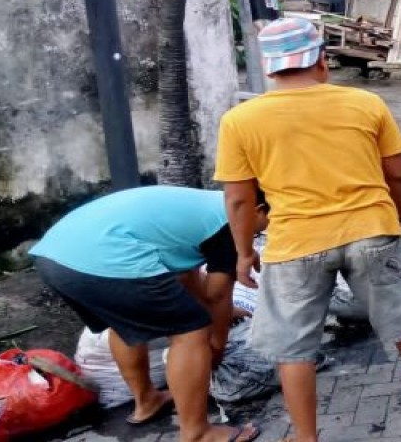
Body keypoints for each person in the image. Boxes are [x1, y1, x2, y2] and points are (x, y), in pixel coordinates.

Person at [215, 17, 401, 442]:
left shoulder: (240, 121)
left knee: (294, 346)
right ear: (321, 59)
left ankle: (305, 435)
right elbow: (397, 174)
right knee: (400, 315)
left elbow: (240, 200)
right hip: (370, 231)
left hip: (295, 243)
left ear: (270, 68)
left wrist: (244, 252)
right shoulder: (365, 103)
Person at [29, 187, 261, 442]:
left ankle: (146, 400)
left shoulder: (205, 208)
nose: (261, 234)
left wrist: (220, 312)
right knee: (192, 331)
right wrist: (216, 347)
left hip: (56, 256)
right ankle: (198, 433)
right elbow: (217, 298)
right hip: (102, 258)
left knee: (125, 323)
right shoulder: (230, 225)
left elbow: (187, 276)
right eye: (270, 224)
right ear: (258, 210)